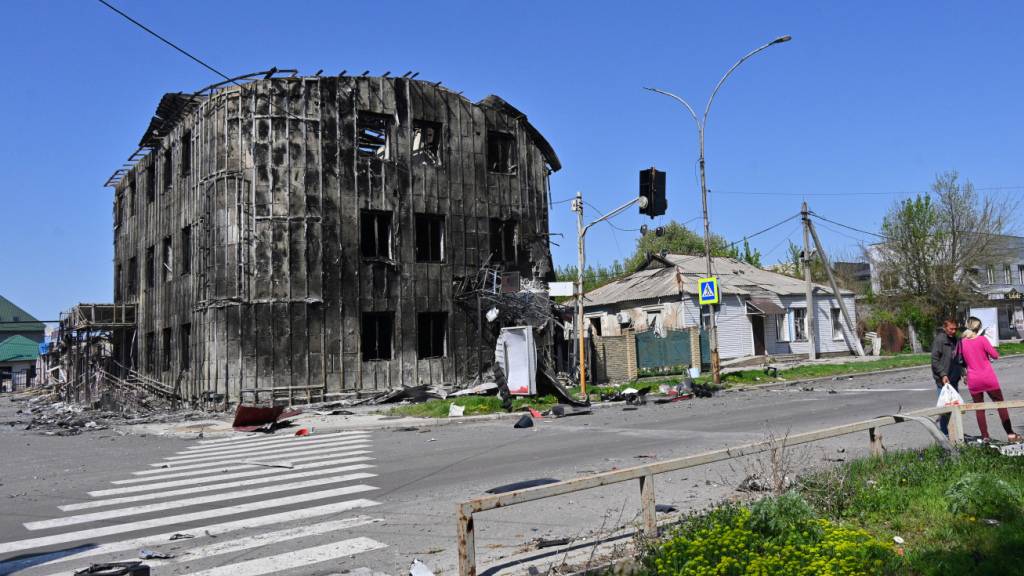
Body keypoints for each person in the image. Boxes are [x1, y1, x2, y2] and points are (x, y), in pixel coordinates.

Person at [960, 316, 1021, 442]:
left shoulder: (962, 343)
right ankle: (1010, 434)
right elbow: (995, 355)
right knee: (1001, 405)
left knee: (979, 408)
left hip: (974, 380)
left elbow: (962, 361)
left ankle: (985, 436)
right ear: (978, 327)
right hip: (988, 378)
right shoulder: (982, 340)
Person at [930, 318, 962, 436]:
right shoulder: (940, 340)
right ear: (945, 328)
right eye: (951, 329)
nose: (953, 331)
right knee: (945, 408)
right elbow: (934, 360)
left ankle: (954, 433)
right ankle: (945, 434)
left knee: (954, 407)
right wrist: (943, 374)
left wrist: (963, 373)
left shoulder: (957, 340)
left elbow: (958, 358)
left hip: (954, 378)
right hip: (942, 380)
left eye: (955, 329)